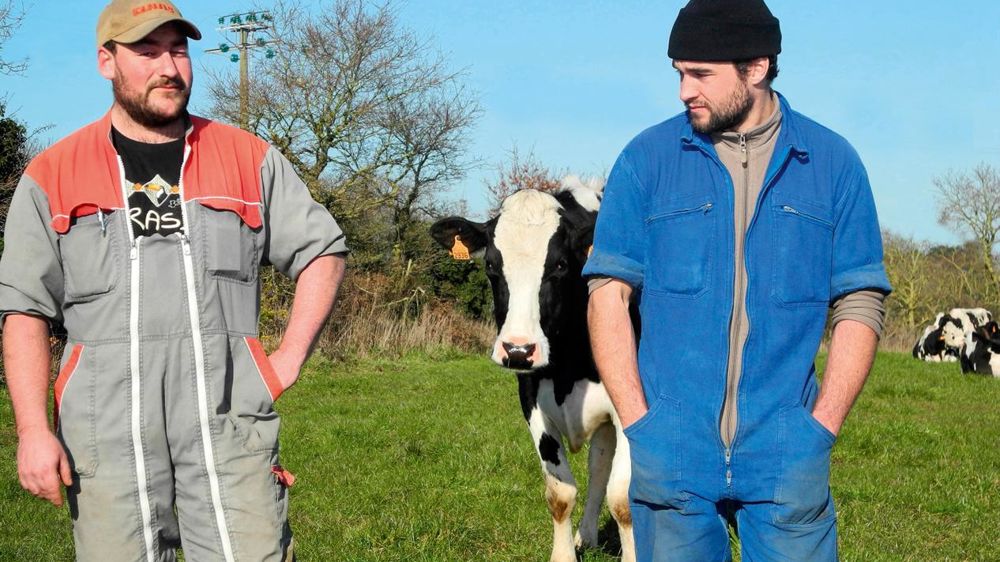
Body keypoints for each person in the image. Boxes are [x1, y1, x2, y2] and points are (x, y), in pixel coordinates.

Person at [0, 1, 347, 559]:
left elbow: (322, 251)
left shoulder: (248, 158)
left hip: (231, 426)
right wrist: (33, 432)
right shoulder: (52, 175)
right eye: (147, 51)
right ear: (106, 62)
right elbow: (24, 310)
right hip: (105, 435)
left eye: (178, 50)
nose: (169, 67)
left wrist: (286, 359)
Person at [584, 0, 891, 560]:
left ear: (757, 67)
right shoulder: (645, 160)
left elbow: (861, 299)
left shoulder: (832, 164)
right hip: (670, 451)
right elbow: (608, 294)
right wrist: (640, 426)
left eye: (701, 74)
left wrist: (821, 428)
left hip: (788, 454)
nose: (685, 91)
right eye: (679, 73)